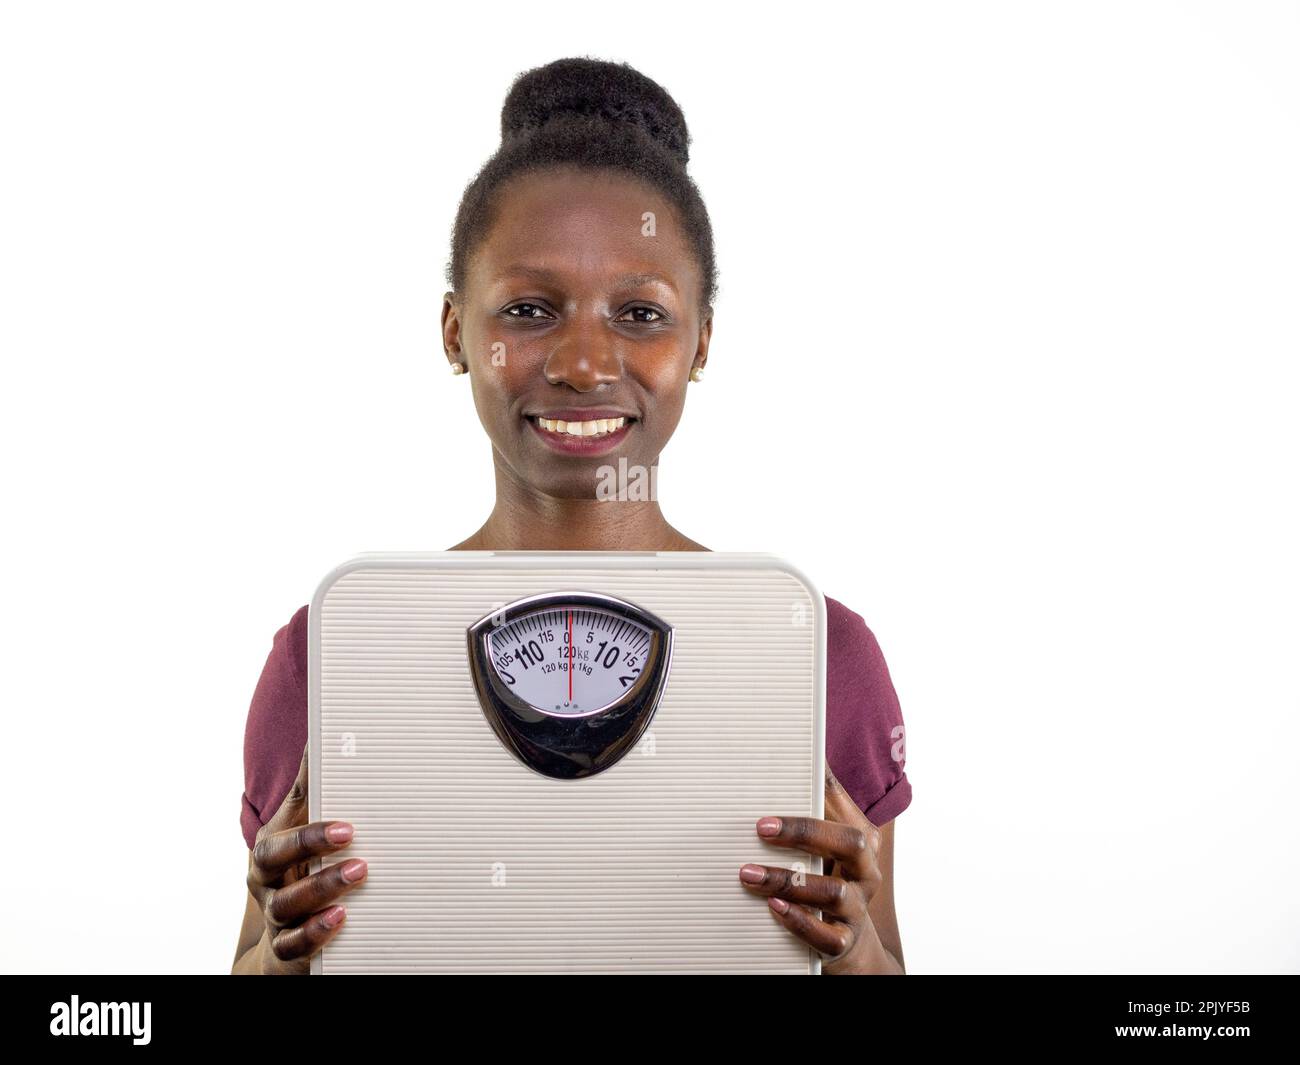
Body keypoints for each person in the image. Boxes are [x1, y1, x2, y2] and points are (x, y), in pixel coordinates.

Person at [232, 56, 911, 975]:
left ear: (701, 340)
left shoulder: (822, 656)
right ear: (454, 331)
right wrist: (277, 952)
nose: (586, 361)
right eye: (529, 308)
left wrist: (856, 947)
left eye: (639, 311)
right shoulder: (334, 655)